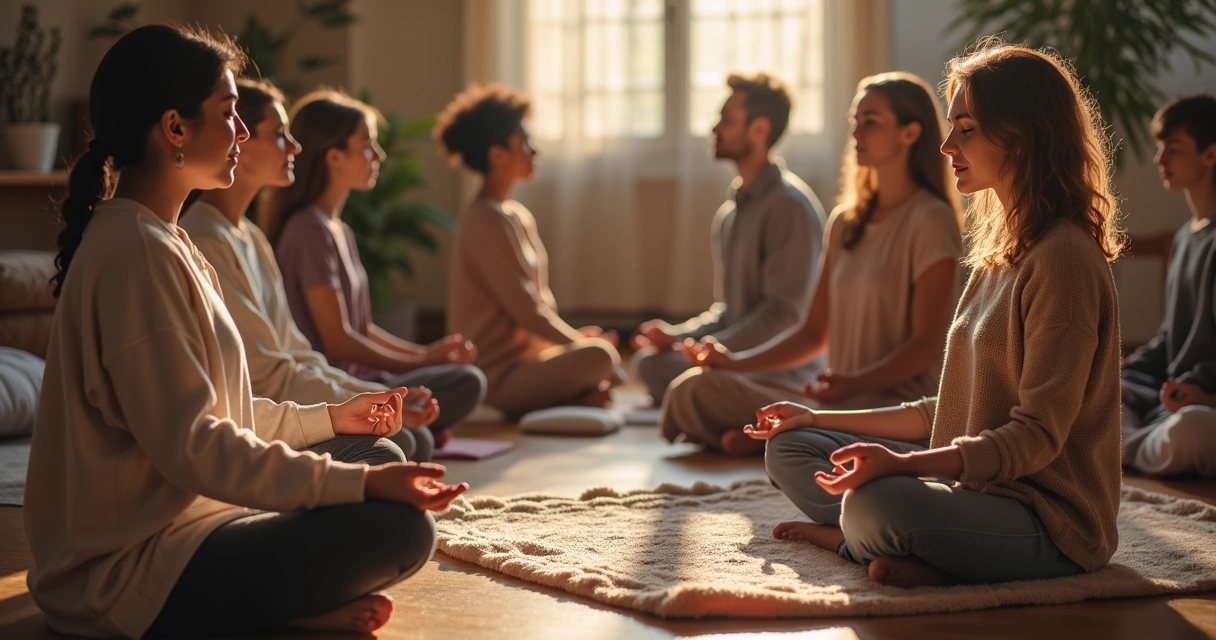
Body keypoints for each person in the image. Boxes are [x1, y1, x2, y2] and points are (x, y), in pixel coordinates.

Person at [24, 25, 468, 638]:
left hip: (194, 524)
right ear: (175, 128)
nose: (240, 132)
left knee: (378, 452)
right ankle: (274, 610)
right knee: (399, 526)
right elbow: (197, 446)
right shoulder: (135, 254)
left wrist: (334, 418)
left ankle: (281, 605)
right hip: (127, 575)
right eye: (229, 113)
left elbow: (224, 413)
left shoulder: (168, 241)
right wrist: (360, 483)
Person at [749, 42, 1124, 588]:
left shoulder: (1062, 259)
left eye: (966, 129)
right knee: (790, 447)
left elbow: (1036, 438)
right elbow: (946, 408)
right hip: (972, 488)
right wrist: (815, 419)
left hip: (1047, 520)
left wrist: (903, 467)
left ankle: (862, 539)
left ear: (1021, 135)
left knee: (876, 502)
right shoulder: (1000, 253)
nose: (948, 145)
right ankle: (901, 545)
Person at [667, 72, 964, 456]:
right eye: (854, 122)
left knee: (789, 450)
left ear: (910, 132)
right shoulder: (844, 223)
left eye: (870, 123)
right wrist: (734, 363)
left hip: (895, 410)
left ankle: (779, 440)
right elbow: (812, 333)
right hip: (838, 400)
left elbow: (926, 346)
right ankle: (781, 436)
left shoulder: (931, 220)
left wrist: (854, 383)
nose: (856, 133)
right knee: (693, 388)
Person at [179, 79, 441, 461]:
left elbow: (297, 353)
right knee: (402, 446)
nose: (295, 147)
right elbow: (268, 375)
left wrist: (371, 397)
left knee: (414, 439)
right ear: (241, 140)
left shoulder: (252, 237)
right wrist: (363, 399)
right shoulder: (206, 237)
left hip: (294, 396)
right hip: (263, 419)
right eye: (279, 134)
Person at [266, 89, 487, 447]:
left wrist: (425, 354)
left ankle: (413, 427)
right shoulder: (308, 230)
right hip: (337, 389)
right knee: (453, 397)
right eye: (367, 145)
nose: (379, 155)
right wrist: (420, 363)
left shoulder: (339, 229)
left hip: (369, 380)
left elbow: (363, 328)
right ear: (334, 157)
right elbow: (339, 340)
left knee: (463, 382)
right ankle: (411, 428)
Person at [632, 72, 827, 407]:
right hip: (736, 364)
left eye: (727, 120)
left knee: (692, 384)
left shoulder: (790, 207)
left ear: (759, 129)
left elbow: (783, 317)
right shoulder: (731, 213)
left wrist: (714, 352)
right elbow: (729, 312)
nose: (715, 129)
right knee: (650, 362)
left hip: (781, 372)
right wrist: (677, 337)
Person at [436, 83, 622, 418]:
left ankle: (571, 396)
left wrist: (573, 340)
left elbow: (536, 311)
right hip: (496, 378)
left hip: (528, 361)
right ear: (497, 155)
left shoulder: (514, 214)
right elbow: (528, 313)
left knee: (597, 352)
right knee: (600, 356)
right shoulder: (484, 220)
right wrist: (580, 345)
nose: (534, 151)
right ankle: (565, 397)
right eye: (525, 143)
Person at [1121, 93, 1216, 478]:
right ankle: (1135, 447)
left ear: (1210, 154)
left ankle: (1123, 450)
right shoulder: (1183, 238)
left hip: (1199, 404)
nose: (1160, 160)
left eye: (1173, 149)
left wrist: (1205, 392)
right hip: (1168, 397)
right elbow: (1170, 336)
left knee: (1192, 429)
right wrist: (1124, 372)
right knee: (1098, 397)